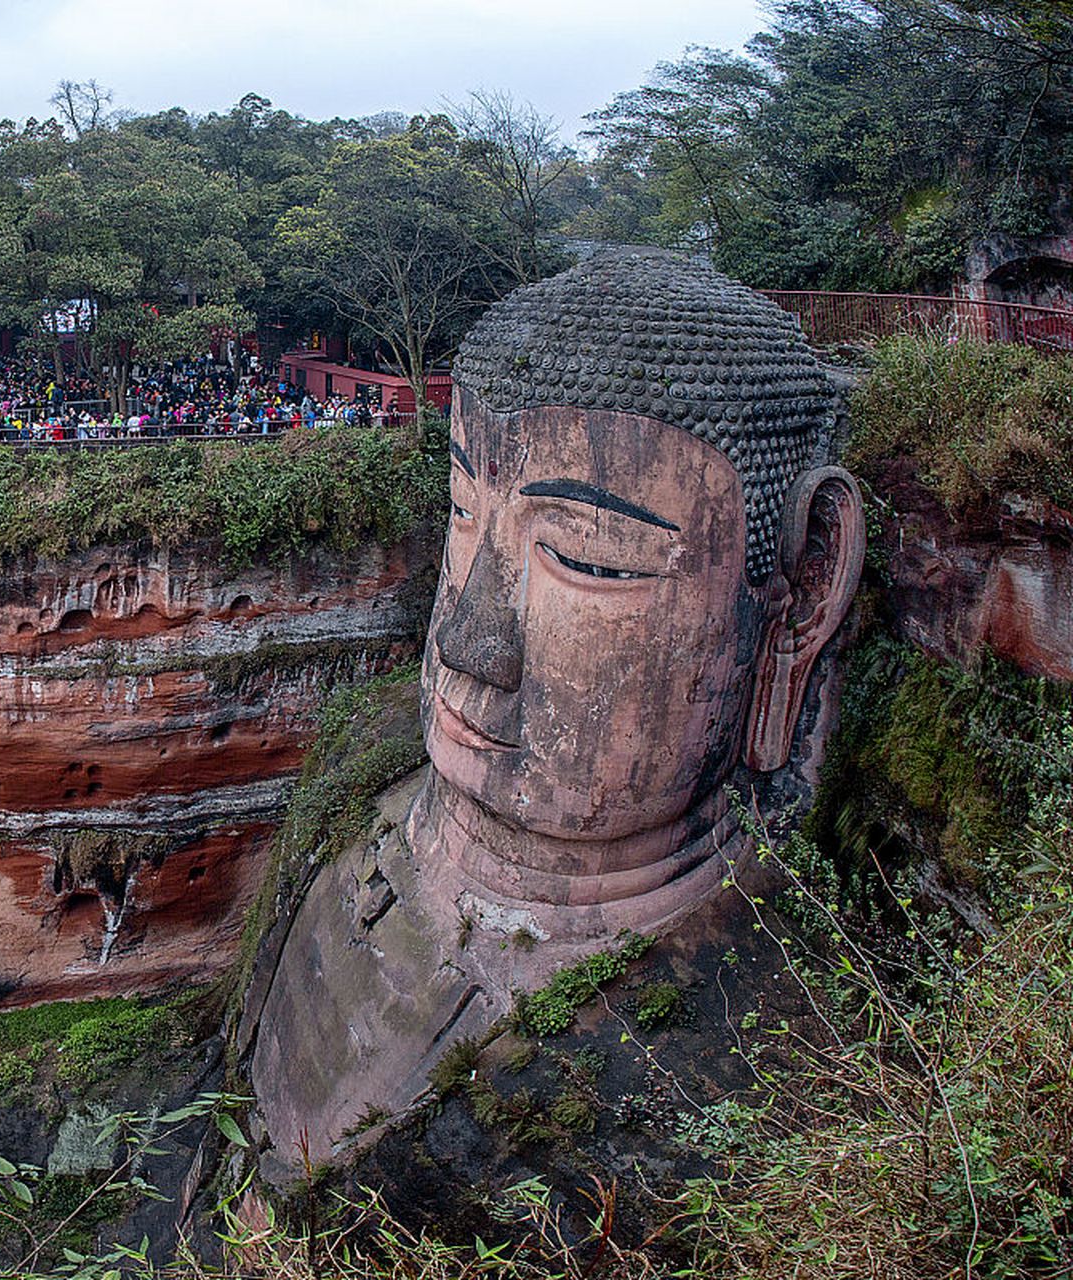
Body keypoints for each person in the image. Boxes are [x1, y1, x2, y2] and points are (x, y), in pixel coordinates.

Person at [250, 247, 867, 1175]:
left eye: (588, 560)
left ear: (802, 591)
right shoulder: (355, 821)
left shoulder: (758, 1089)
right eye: (463, 510)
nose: (466, 642)